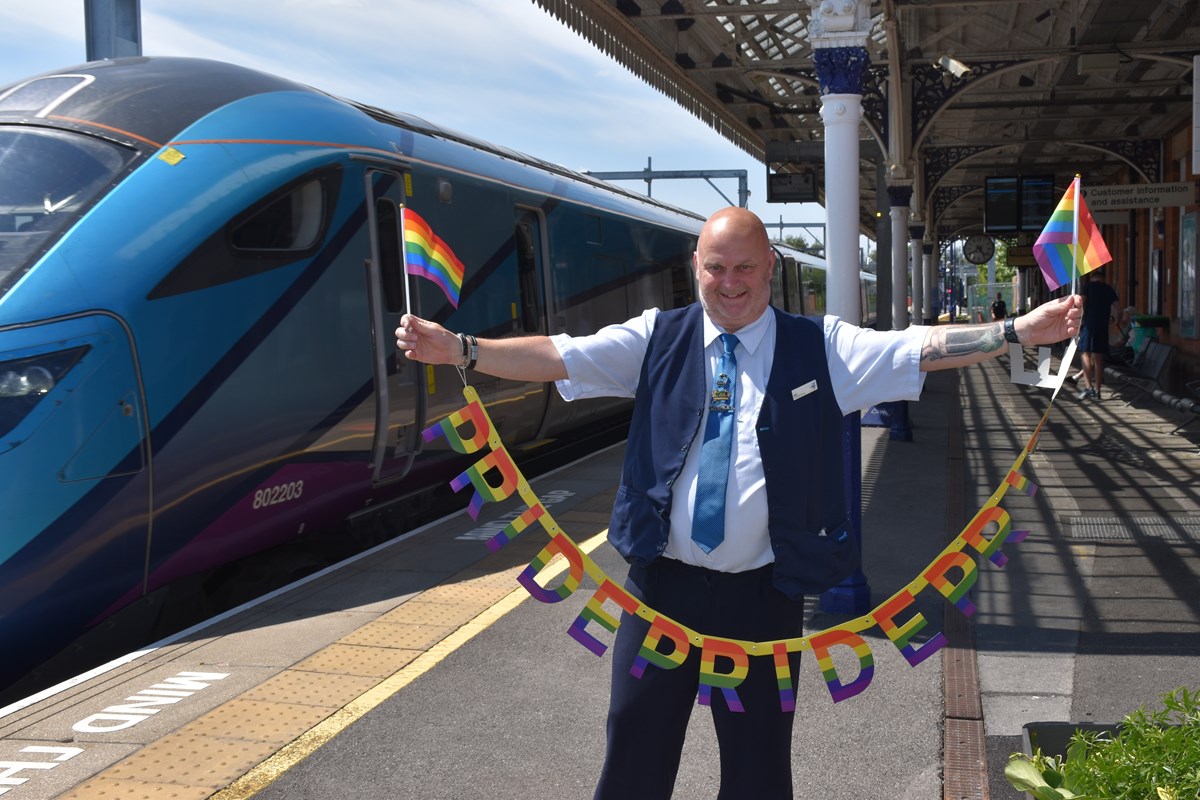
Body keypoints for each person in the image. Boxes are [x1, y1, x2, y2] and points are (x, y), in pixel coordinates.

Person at [394, 207, 1081, 800]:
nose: (729, 284)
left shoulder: (822, 347)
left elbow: (920, 347)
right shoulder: (657, 337)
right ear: (696, 266)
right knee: (634, 755)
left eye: (745, 269)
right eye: (715, 269)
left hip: (763, 598)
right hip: (656, 593)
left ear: (771, 267)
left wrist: (1017, 330)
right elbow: (560, 356)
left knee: (757, 771)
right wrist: (462, 348)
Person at [1074, 270, 1119, 400]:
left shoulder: (1088, 286)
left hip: (1089, 324)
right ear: (1103, 278)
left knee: (1085, 353)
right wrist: (1116, 320)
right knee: (1098, 358)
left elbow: (1081, 301)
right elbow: (1118, 308)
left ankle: (1089, 388)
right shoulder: (1109, 289)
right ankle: (1098, 390)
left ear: (1093, 278)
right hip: (1102, 326)